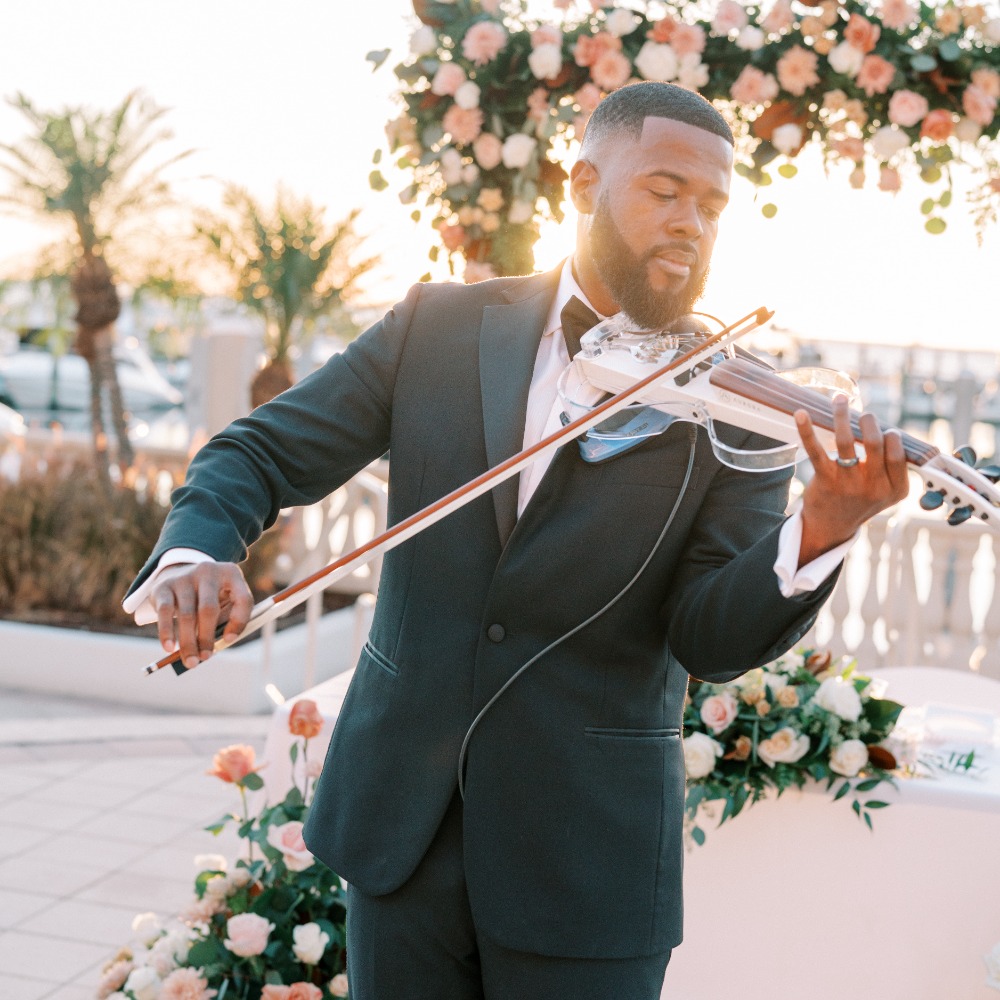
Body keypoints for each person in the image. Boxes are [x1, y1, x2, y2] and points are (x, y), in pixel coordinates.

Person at [124, 82, 908, 999]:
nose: (690, 223)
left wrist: (823, 526)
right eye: (665, 191)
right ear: (583, 187)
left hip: (587, 861)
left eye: (712, 206)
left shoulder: (737, 403)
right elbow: (261, 451)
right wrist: (198, 550)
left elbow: (711, 639)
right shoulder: (438, 329)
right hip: (401, 837)